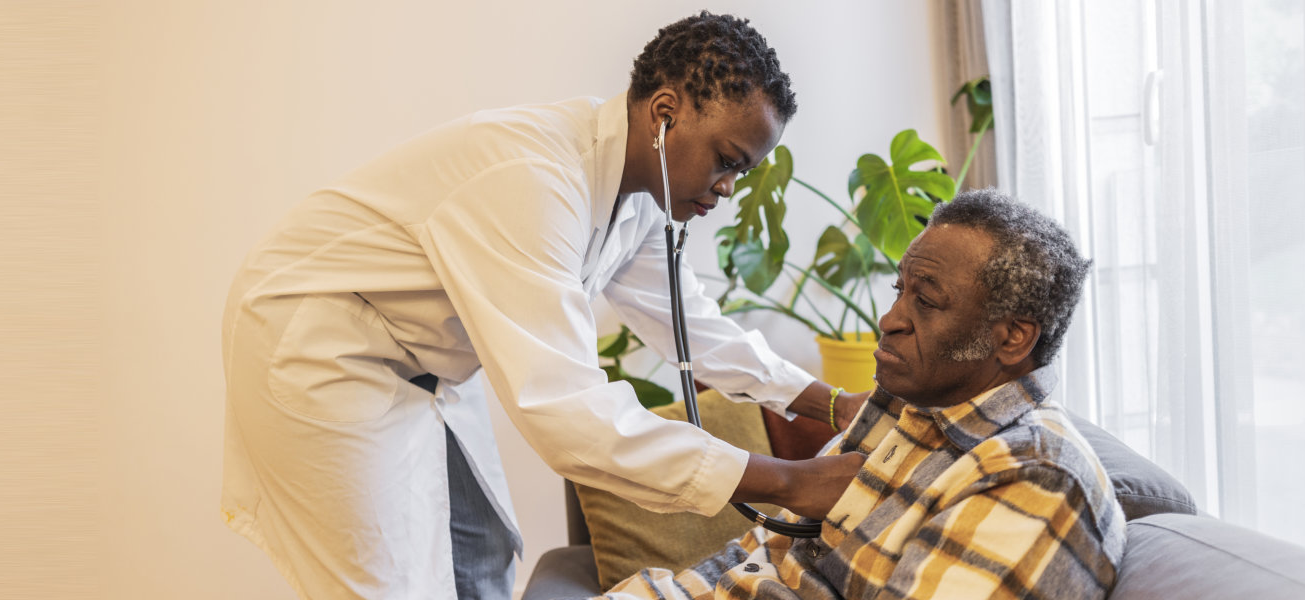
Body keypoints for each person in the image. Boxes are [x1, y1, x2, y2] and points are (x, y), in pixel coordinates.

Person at [219, 12, 867, 600]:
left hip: (425, 358)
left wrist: (829, 403)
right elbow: (572, 418)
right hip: (322, 347)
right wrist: (786, 481)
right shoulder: (532, 179)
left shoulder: (638, 192)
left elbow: (691, 327)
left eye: (742, 171)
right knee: (384, 586)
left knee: (481, 554)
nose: (727, 188)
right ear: (664, 112)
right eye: (727, 160)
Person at [596, 189, 1127, 600]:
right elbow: (759, 556)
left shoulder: (1035, 478)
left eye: (927, 300)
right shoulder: (909, 410)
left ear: (1012, 337)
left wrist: (779, 479)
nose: (890, 319)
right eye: (900, 290)